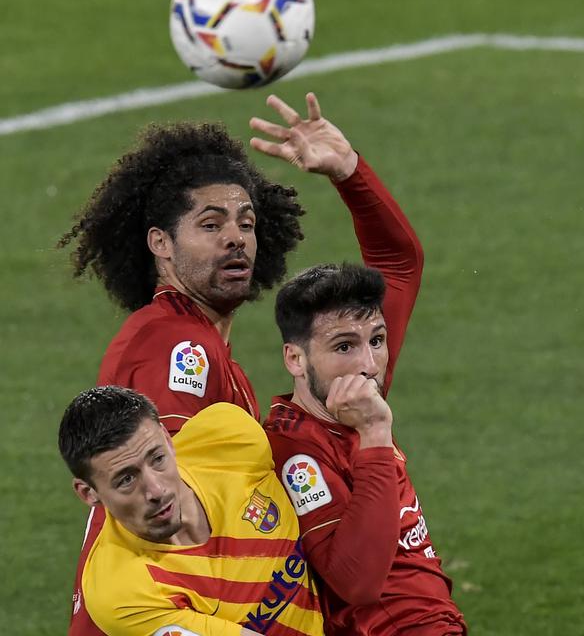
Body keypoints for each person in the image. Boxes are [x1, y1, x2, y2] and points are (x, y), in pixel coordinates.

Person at [59, 92, 423, 634]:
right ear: (160, 243)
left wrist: (349, 172)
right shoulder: (171, 343)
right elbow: (143, 502)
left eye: (246, 223)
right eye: (210, 225)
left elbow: (397, 266)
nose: (235, 237)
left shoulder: (207, 351)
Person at [263, 264, 467, 635]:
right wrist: (375, 433)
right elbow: (357, 584)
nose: (369, 365)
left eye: (376, 340)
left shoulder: (352, 402)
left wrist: (354, 200)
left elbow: (403, 260)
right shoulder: (297, 451)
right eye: (344, 346)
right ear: (295, 359)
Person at [58, 385, 324, 636]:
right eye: (126, 479)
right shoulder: (121, 591)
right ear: (88, 493)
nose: (157, 491)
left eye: (158, 458)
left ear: (166, 437)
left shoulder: (228, 436)